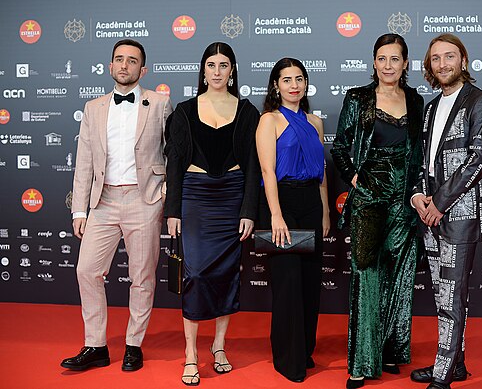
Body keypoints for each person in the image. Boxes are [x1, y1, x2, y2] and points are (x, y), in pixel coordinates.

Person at [61, 39, 173, 372]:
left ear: (143, 69)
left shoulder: (160, 103)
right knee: (86, 271)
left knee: (142, 277)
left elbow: (174, 154)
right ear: (110, 66)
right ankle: (95, 345)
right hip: (103, 201)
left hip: (145, 199)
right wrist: (79, 210)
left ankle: (134, 345)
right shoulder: (93, 108)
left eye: (132, 61)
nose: (124, 65)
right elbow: (83, 162)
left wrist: (164, 193)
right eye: (119, 60)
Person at [331, 33, 424, 389]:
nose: (388, 65)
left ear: (405, 64)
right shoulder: (359, 98)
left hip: (404, 203)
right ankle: (359, 363)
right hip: (370, 200)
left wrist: (415, 194)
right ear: (373, 62)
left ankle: (386, 350)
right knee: (366, 278)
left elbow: (418, 154)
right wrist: (356, 179)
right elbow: (340, 146)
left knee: (398, 278)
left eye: (395, 59)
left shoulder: (416, 102)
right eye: (382, 59)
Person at [164, 42, 261, 386]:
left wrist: (249, 209)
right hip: (196, 196)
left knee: (225, 273)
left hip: (232, 196)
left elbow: (254, 166)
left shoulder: (249, 112)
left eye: (224, 65)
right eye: (211, 65)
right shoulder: (185, 111)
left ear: (232, 70)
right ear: (202, 70)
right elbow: (173, 162)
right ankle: (190, 353)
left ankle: (219, 346)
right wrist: (172, 209)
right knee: (196, 273)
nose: (217, 71)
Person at [409, 33, 482, 389]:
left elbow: (478, 160)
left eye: (450, 57)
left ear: (463, 60)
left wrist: (440, 204)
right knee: (444, 293)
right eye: (436, 59)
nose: (443, 64)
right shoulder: (431, 108)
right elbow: (422, 160)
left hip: (461, 214)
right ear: (429, 66)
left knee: (451, 293)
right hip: (430, 212)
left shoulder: (480, 103)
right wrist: (418, 196)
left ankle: (443, 373)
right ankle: (454, 363)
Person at [256, 57, 330, 383]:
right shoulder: (268, 120)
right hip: (281, 202)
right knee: (287, 283)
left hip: (311, 203)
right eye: (287, 79)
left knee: (310, 283)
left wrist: (326, 210)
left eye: (299, 78)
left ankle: (305, 349)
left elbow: (323, 173)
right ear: (276, 85)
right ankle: (288, 358)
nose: (294, 85)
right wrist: (275, 215)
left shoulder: (315, 122)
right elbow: (267, 171)